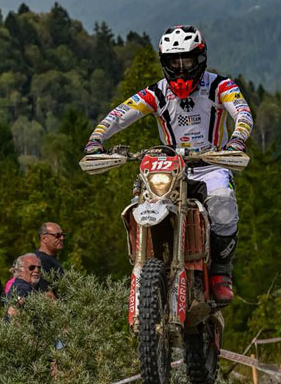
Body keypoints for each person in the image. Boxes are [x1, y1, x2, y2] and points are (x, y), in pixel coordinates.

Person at [84, 24, 253, 304]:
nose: (182, 68)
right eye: (175, 62)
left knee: (223, 203)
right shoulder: (157, 93)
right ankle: (144, 264)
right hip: (169, 167)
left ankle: (221, 272)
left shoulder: (220, 86)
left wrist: (237, 139)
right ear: (165, 63)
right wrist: (96, 139)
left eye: (188, 60)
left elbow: (242, 112)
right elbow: (120, 114)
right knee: (138, 202)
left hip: (211, 163)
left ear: (200, 58)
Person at [34, 222, 66, 295]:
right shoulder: (42, 260)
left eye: (63, 235)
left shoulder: (48, 259)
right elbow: (47, 295)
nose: (62, 238)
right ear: (44, 238)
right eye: (57, 235)